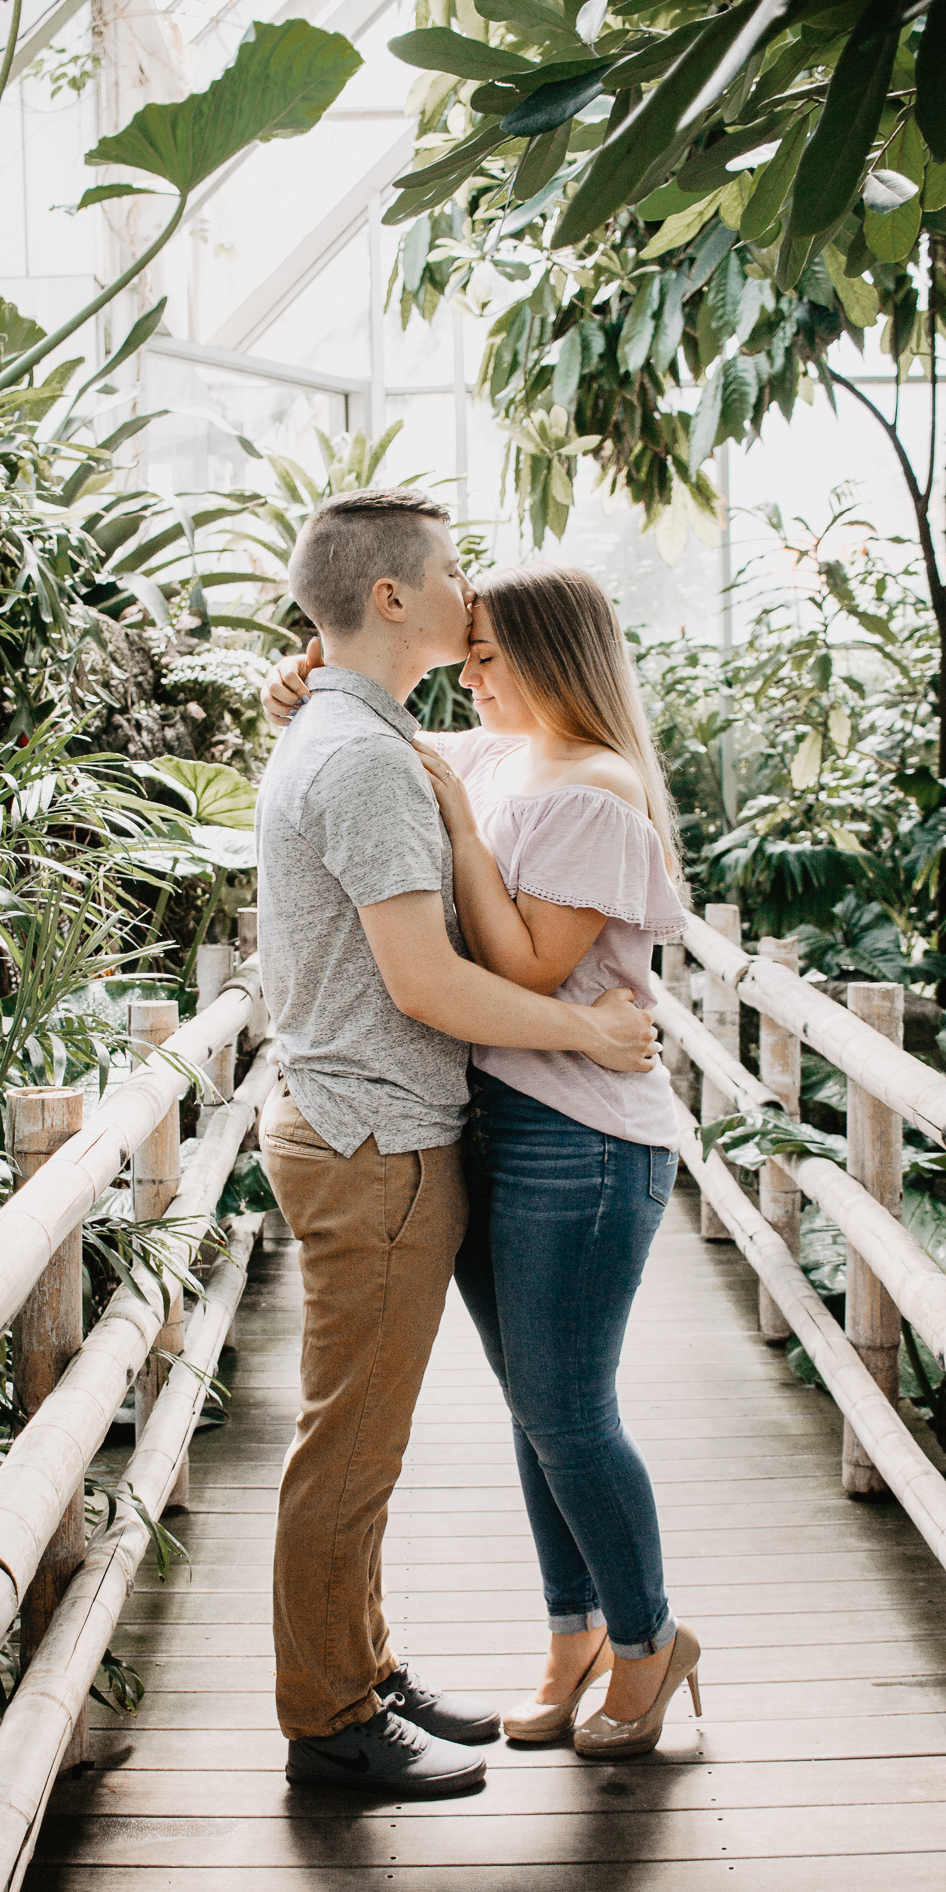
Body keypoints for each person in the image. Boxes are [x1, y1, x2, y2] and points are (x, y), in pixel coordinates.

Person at [255, 490, 660, 1800]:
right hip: (371, 1131)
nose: (462, 593)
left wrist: (306, 677)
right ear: (389, 599)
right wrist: (582, 1033)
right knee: (351, 1448)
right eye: (445, 573)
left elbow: (476, 778)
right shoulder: (364, 752)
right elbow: (424, 982)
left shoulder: (363, 731)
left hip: (379, 1124)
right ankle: (332, 1718)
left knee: (365, 1439)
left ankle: (365, 1672)